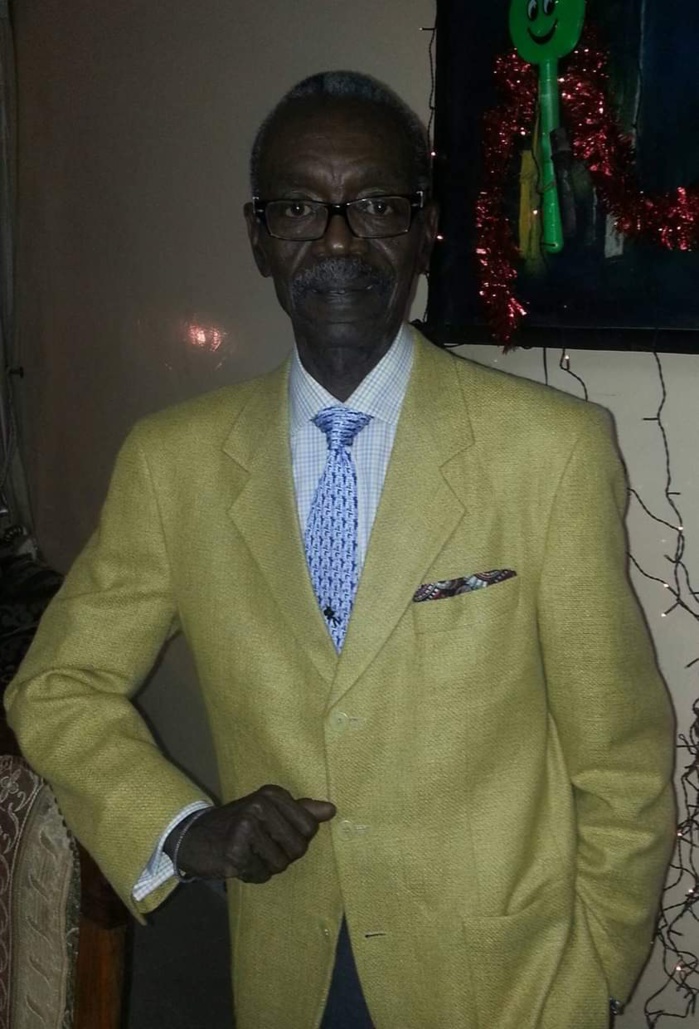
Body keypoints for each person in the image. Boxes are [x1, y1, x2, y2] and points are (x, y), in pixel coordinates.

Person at [5, 71, 675, 1029]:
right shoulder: (174, 463)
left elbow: (619, 755)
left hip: (504, 980)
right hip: (288, 967)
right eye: (296, 208)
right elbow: (56, 685)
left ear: (425, 227)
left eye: (375, 204)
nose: (336, 240)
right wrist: (181, 825)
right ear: (257, 237)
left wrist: (597, 973)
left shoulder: (548, 451)